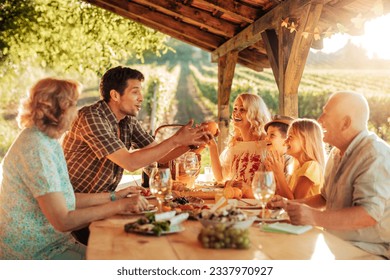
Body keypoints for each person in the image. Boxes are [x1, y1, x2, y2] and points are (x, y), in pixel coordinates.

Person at [0, 78, 149, 260]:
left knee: (122, 256)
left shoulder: (47, 140)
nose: (76, 112)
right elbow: (64, 220)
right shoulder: (36, 148)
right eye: (73, 105)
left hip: (58, 244)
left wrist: (114, 196)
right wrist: (119, 206)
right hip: (34, 254)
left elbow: (65, 199)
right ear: (57, 109)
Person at [62, 66, 211, 244]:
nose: (141, 98)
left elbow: (160, 156)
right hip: (74, 210)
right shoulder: (92, 117)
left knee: (156, 234)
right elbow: (130, 163)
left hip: (103, 204)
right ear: (115, 95)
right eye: (135, 92)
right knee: (139, 240)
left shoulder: (127, 121)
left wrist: (192, 143)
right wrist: (176, 140)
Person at [271, 91, 390, 259]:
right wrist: (290, 204)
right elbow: (324, 199)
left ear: (345, 123)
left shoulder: (374, 155)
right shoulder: (336, 153)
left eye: (325, 114)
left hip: (368, 253)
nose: (319, 120)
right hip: (336, 245)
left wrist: (314, 217)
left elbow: (368, 214)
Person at [207, 93, 271, 190]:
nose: (236, 113)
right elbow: (220, 176)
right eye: (235, 109)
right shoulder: (235, 144)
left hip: (257, 202)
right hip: (237, 199)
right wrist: (212, 145)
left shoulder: (267, 144)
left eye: (242, 109)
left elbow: (271, 186)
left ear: (254, 113)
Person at [265, 118, 326, 200]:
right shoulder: (296, 168)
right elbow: (283, 198)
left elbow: (295, 202)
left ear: (305, 140)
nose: (285, 141)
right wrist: (275, 174)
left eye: (290, 137)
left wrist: (279, 174)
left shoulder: (311, 166)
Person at [264, 114, 296, 182]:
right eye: (267, 134)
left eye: (272, 135)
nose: (266, 138)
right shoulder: (269, 160)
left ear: (287, 139)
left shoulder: (291, 162)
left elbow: (286, 189)